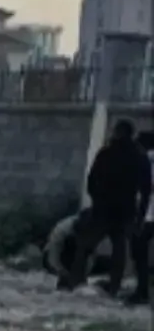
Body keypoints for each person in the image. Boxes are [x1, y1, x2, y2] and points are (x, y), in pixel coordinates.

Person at [60, 117, 147, 296]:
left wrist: (97, 200)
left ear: (117, 133)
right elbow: (145, 189)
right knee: (118, 251)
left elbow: (91, 181)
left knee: (85, 247)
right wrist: (140, 216)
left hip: (103, 209)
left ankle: (75, 281)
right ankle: (114, 286)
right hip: (124, 211)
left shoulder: (107, 153)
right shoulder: (138, 155)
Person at [123, 128, 153, 306]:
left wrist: (138, 219)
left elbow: (145, 192)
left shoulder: (145, 160)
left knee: (139, 252)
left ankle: (142, 292)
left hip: (148, 215)